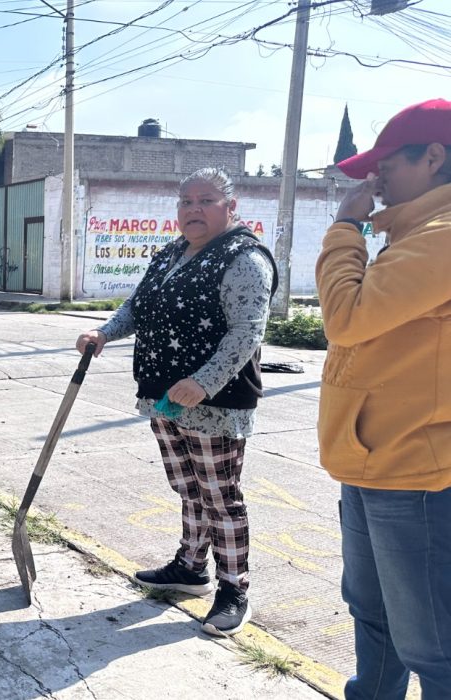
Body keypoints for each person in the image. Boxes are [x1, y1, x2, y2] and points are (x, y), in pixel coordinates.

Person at [75, 167, 276, 637]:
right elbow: (137, 306)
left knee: (220, 496)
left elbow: (247, 332)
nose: (192, 209)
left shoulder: (244, 257)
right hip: (164, 396)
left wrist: (203, 382)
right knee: (188, 488)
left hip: (216, 401)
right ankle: (190, 568)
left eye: (205, 200)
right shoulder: (171, 253)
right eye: (185, 201)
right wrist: (103, 332)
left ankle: (234, 588)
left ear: (231, 207)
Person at [316, 98, 451, 700]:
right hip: (371, 458)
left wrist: (347, 227)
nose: (375, 179)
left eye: (387, 164)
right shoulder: (415, 233)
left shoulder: (442, 237)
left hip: (413, 471)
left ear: (433, 157)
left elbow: (346, 319)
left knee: (433, 645)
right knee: (372, 616)